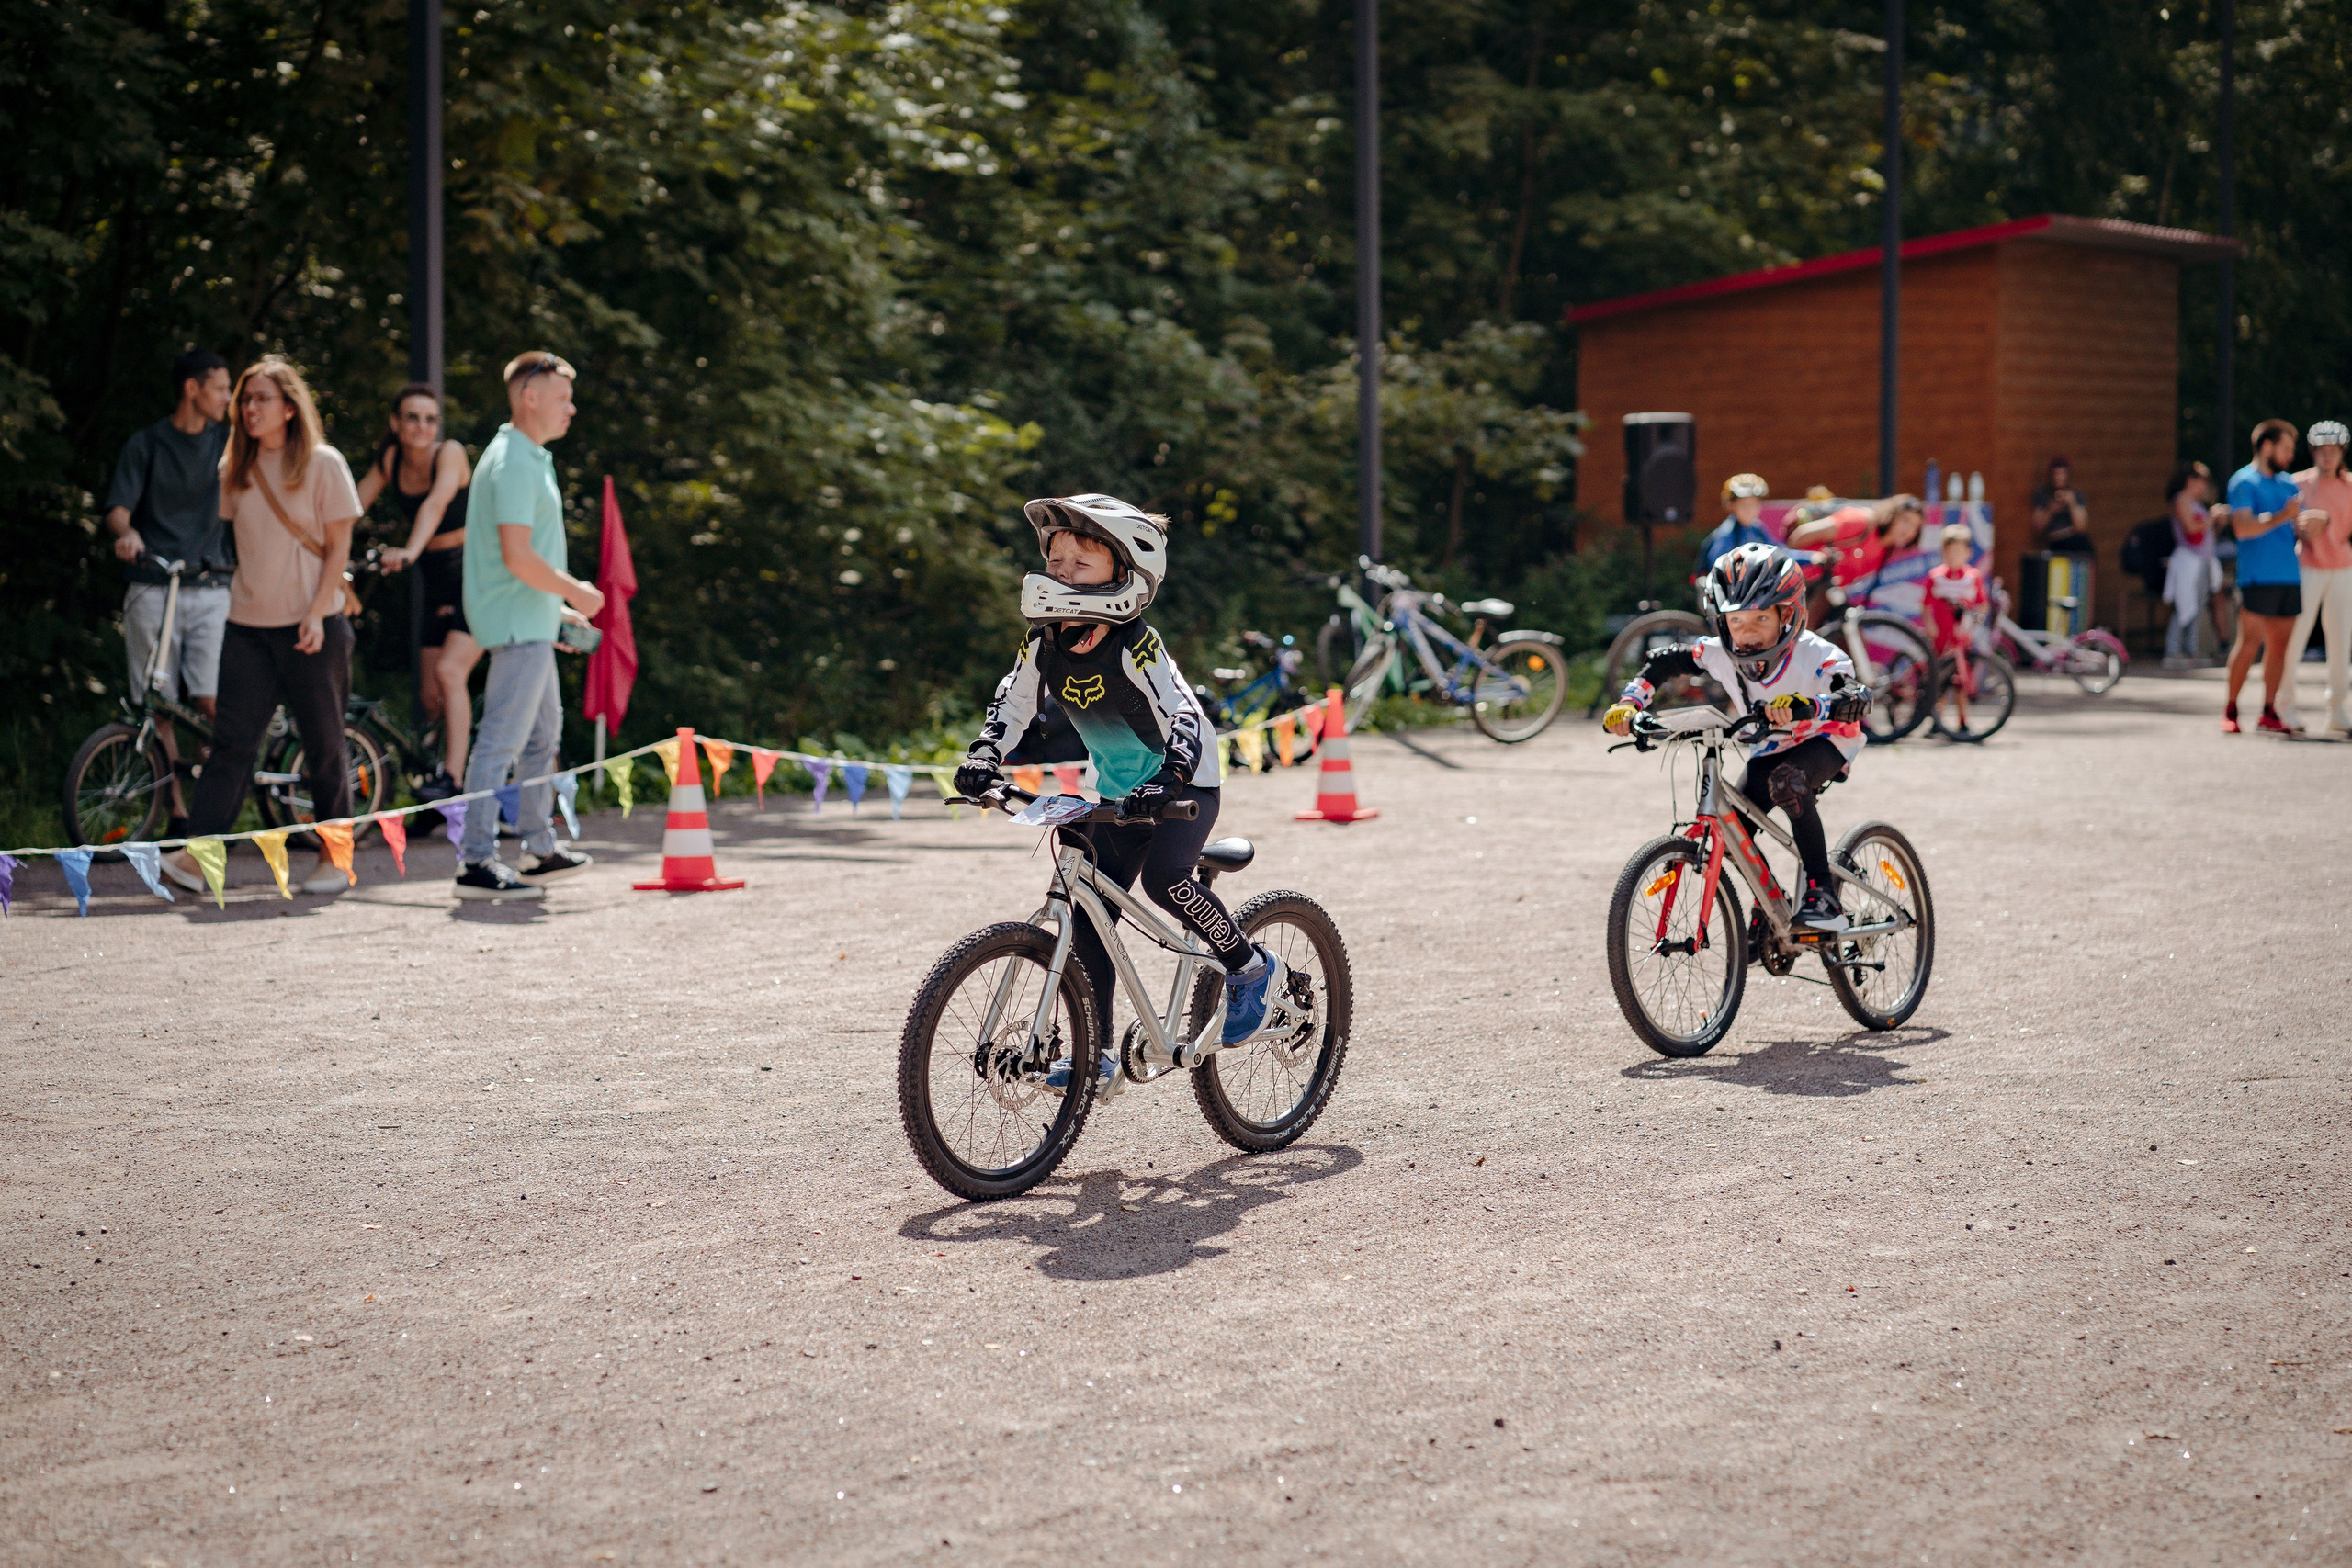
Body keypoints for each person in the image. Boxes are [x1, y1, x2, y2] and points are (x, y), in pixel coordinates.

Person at [953, 494, 1282, 1094]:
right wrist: (983, 756)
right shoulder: (1043, 642)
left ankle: (1251, 968)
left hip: (1186, 783)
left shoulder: (1136, 643)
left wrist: (1169, 777)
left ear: (1125, 574)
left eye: (1082, 563)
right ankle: (1098, 1053)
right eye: (1057, 561)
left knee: (1166, 880)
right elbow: (1013, 703)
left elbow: (1182, 710)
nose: (1062, 572)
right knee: (1090, 916)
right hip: (1119, 792)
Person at [156, 357, 362, 897]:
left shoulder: (324, 463)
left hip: (313, 625)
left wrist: (317, 613)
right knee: (231, 746)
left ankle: (334, 860)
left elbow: (338, 547)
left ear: (290, 408)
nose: (249, 408)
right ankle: (199, 861)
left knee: (323, 746)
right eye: (245, 399)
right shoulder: (235, 469)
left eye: (262, 399)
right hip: (247, 625)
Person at [1603, 543, 1872, 931]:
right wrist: (1631, 704)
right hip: (1770, 742)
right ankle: (1769, 911)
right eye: (1736, 620)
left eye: (1761, 619)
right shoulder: (1718, 653)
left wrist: (1810, 706)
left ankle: (1822, 895)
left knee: (1788, 782)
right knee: (1732, 840)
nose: (1747, 633)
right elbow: (1661, 663)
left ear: (1788, 615)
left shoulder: (1816, 654)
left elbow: (1857, 696)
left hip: (1826, 738)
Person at [451, 351, 605, 901]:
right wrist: (577, 593)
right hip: (518, 627)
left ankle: (539, 848)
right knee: (500, 744)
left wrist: (556, 611)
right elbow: (517, 557)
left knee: (542, 740)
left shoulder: (525, 456)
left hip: (529, 620)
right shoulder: (515, 459)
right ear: (529, 397)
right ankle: (475, 862)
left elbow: (510, 559)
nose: (572, 408)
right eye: (563, 398)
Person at [103, 348, 233, 828]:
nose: (228, 398)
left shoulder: (230, 444)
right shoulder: (148, 444)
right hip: (154, 584)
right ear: (192, 389)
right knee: (156, 703)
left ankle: (217, 807)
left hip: (211, 585)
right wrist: (128, 534)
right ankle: (177, 810)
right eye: (220, 388)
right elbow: (118, 508)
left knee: (210, 700)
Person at [354, 382, 476, 798]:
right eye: (412, 418)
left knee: (449, 673)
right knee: (428, 695)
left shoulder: (451, 453)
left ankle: (455, 779)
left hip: (471, 571)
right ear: (396, 422)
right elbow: (352, 506)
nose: (422, 427)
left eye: (430, 419)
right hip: (433, 573)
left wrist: (408, 549)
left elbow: (436, 503)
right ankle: (443, 760)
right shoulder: (391, 458)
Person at [2222, 419, 2305, 733]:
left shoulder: (2289, 485)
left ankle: (2269, 712)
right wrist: (2284, 516)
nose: (2290, 455)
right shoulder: (2243, 482)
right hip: (2257, 577)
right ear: (2267, 446)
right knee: (2249, 644)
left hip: (2289, 576)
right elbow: (2243, 528)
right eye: (2285, 448)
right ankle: (2230, 709)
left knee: (2279, 648)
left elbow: (2296, 527)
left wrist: (2306, 526)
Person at [2283, 419, 2352, 733]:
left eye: (2333, 451)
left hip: (2342, 568)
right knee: (2295, 635)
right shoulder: (2296, 484)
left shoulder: (2350, 486)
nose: (2327, 457)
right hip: (2306, 566)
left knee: (2340, 640)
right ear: (2312, 452)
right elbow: (2284, 525)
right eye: (2321, 450)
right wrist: (2298, 527)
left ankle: (2336, 709)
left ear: (2342, 452)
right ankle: (2285, 705)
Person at [1784, 492, 1926, 613]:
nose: (1908, 530)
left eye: (1915, 526)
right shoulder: (1861, 522)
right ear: (1892, 515)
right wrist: (1808, 560)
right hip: (1795, 588)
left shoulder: (1886, 551)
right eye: (1905, 520)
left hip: (1824, 594)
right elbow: (1800, 535)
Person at [1922, 524, 1991, 732]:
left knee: (1961, 681)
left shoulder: (1972, 577)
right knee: (1939, 682)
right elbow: (1925, 605)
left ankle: (1963, 720)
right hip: (1940, 639)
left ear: (1968, 553)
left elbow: (1982, 603)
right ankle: (1937, 721)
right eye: (1949, 551)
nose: (1953, 556)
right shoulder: (1935, 576)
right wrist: (1930, 625)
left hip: (1962, 640)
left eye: (1958, 551)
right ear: (1943, 552)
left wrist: (1974, 623)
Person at [2161, 463, 2225, 669]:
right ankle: (2173, 650)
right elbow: (2191, 529)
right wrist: (2211, 518)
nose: (2205, 486)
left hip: (2202, 562)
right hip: (2187, 563)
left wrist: (2218, 523)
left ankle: (2192, 650)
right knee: (2184, 605)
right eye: (2202, 481)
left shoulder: (2197, 504)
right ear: (2191, 481)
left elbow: (2206, 537)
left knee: (2197, 607)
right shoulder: (2181, 501)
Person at [1691, 473, 1775, 580]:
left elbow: (1778, 552)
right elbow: (1718, 569)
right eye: (1743, 505)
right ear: (1731, 505)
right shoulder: (1726, 533)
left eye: (1753, 504)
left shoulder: (1757, 529)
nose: (1749, 510)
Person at [2032, 457, 2094, 554]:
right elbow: (2038, 528)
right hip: (2055, 545)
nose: (2059, 477)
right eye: (2056, 473)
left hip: (2076, 543)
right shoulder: (2043, 495)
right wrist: (2050, 510)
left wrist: (2072, 504)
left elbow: (2081, 528)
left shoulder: (2076, 495)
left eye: (2063, 473)